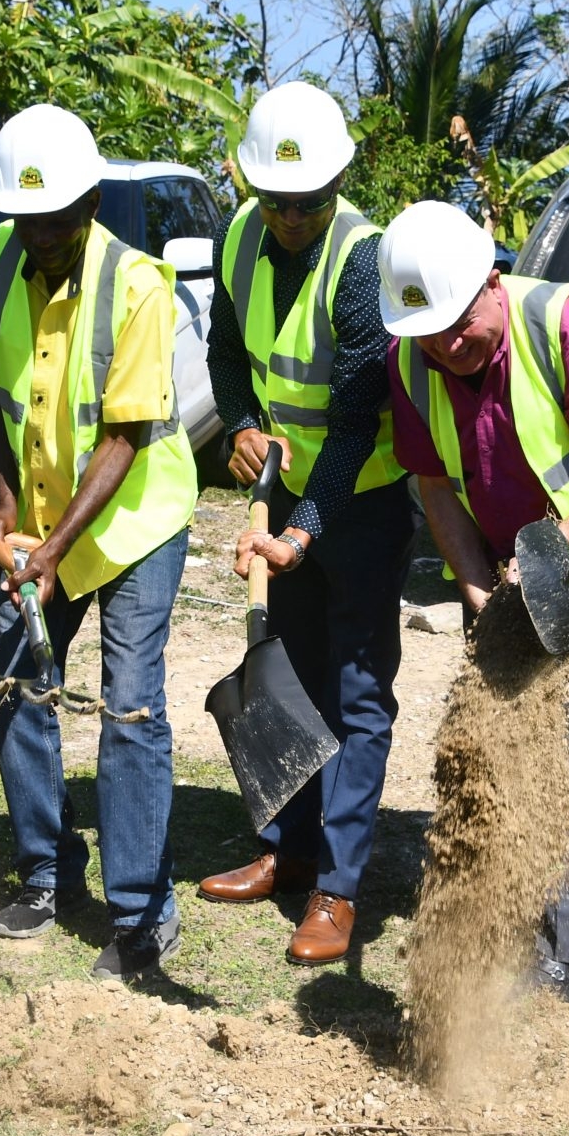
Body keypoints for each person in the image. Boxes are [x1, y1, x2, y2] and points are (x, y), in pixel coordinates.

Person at [381, 200, 569, 1000]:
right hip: (517, 570)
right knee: (502, 729)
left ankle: (567, 945)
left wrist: (549, 556)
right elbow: (436, 486)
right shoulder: (412, 358)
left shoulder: (568, 331)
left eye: (458, 326)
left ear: (492, 283)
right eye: (427, 334)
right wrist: (481, 593)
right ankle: (501, 906)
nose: (446, 348)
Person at [0, 105, 196, 980]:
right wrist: (3, 505)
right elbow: (3, 400)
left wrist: (53, 549)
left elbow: (125, 439)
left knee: (129, 708)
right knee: (13, 684)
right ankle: (47, 868)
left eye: (58, 220)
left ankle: (142, 912)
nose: (43, 238)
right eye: (28, 221)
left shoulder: (139, 285)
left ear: (92, 202)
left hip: (135, 521)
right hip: (48, 524)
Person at [194, 82, 413, 967]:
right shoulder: (238, 235)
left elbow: (358, 420)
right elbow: (224, 351)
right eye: (275, 200)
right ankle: (286, 849)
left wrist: (304, 528)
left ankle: (338, 885)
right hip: (289, 489)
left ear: (338, 185)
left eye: (308, 202)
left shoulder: (361, 260)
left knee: (356, 693)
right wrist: (244, 426)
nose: (289, 218)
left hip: (360, 505)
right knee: (287, 675)